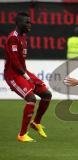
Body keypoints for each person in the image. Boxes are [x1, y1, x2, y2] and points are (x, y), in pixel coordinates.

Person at [3, 12, 52, 142]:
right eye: (27, 22)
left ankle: (36, 122)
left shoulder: (23, 36)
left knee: (47, 94)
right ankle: (22, 135)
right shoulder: (12, 38)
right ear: (18, 24)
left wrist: (26, 74)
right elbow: (14, 62)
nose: (30, 24)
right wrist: (26, 76)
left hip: (23, 71)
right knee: (31, 98)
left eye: (30, 22)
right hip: (13, 75)